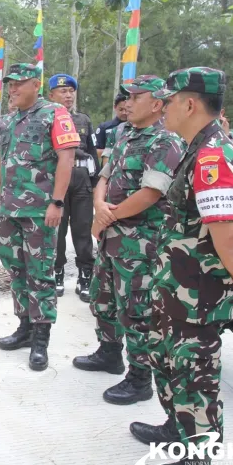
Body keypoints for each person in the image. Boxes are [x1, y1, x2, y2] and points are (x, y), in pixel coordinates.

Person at [129, 68, 233, 465]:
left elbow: (227, 233)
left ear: (189, 104)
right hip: (174, 286)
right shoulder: (194, 147)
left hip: (198, 294)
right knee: (167, 362)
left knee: (194, 375)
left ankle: (195, 463)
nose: (162, 107)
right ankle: (176, 429)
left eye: (168, 101)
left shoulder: (212, 157)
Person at [72, 75, 186, 406]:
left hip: (140, 243)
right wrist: (98, 205)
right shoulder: (126, 135)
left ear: (156, 105)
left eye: (136, 97)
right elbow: (104, 176)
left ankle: (139, 379)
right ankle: (109, 354)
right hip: (111, 239)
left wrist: (110, 215)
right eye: (127, 96)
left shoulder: (166, 142)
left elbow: (152, 192)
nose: (128, 101)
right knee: (102, 300)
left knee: (137, 311)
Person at [0, 63, 80, 371]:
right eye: (9, 84)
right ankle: (24, 326)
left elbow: (67, 159)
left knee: (40, 273)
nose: (12, 89)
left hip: (40, 211)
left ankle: (41, 339)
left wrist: (57, 202)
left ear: (35, 85)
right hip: (9, 210)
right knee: (15, 270)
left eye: (19, 84)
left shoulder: (55, 114)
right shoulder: (9, 122)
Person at [47, 73, 97, 302]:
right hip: (58, 179)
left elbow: (93, 153)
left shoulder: (84, 120)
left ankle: (85, 276)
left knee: (83, 229)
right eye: (63, 91)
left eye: (71, 91)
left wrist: (95, 185)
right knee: (57, 231)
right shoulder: (46, 119)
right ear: (51, 95)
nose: (68, 95)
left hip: (81, 179)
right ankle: (57, 273)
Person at [94, 93, 129, 166]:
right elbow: (95, 151)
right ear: (115, 107)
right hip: (109, 168)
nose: (124, 113)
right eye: (121, 109)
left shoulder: (137, 127)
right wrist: (112, 152)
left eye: (127, 109)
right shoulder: (105, 127)